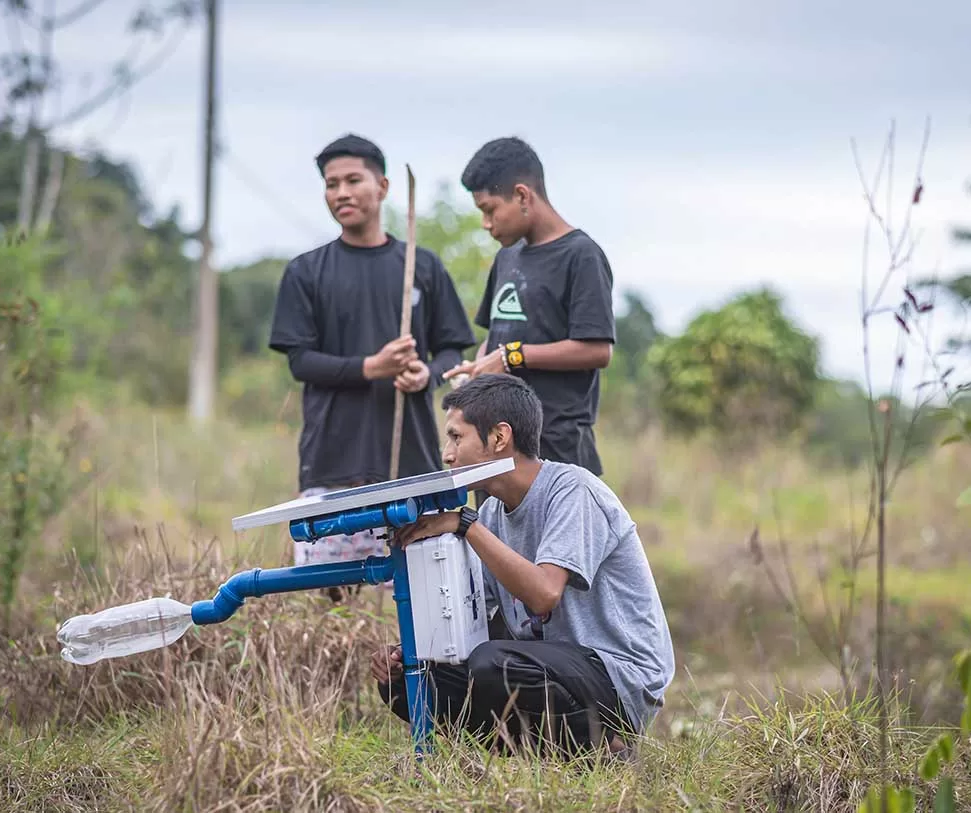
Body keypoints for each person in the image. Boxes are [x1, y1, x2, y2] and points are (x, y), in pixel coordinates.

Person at [370, 373, 675, 759]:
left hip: (619, 676)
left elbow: (543, 595)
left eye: (456, 437)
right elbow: (469, 618)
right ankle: (555, 757)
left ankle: (610, 752)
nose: (447, 453)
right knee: (408, 681)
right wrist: (405, 655)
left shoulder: (572, 490)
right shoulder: (494, 512)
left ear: (499, 437)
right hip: (546, 671)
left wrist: (466, 525)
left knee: (491, 664)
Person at [268, 133, 476, 584]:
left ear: (381, 186)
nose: (340, 193)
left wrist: (426, 374)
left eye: (352, 180)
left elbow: (451, 351)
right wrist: (370, 368)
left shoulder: (422, 266)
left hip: (414, 464)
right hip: (334, 465)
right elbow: (300, 362)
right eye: (330, 183)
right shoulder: (306, 271)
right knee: (332, 606)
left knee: (424, 605)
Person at [444, 136, 616, 478]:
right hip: (496, 449)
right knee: (492, 533)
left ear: (522, 195)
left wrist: (511, 356)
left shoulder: (580, 255)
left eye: (490, 209)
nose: (485, 223)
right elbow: (494, 338)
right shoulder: (506, 257)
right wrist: (477, 370)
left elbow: (597, 350)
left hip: (557, 446)